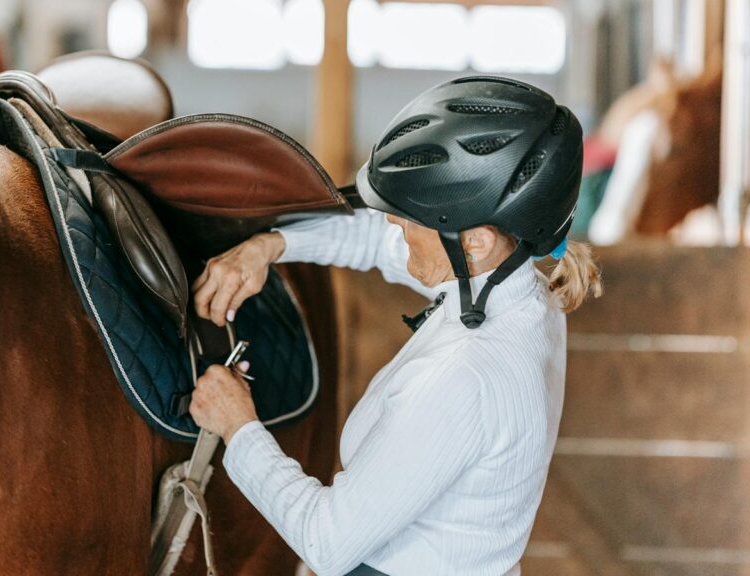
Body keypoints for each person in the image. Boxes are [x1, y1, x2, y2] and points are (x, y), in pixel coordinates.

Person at [188, 77, 603, 576]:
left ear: (475, 242)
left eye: (412, 219)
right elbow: (379, 244)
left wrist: (238, 424)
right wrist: (272, 246)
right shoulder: (522, 296)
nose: (395, 226)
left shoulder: (465, 376)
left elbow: (327, 541)